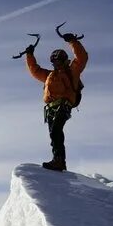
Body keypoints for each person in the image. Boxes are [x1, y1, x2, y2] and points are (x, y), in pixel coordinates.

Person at [23, 28, 88, 172]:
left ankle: (59, 161)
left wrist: (73, 42)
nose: (57, 64)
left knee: (56, 131)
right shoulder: (49, 75)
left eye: (59, 61)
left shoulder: (73, 71)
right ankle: (58, 160)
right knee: (54, 133)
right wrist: (29, 55)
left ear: (65, 61)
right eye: (54, 62)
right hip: (51, 109)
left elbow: (82, 58)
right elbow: (35, 70)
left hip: (63, 106)